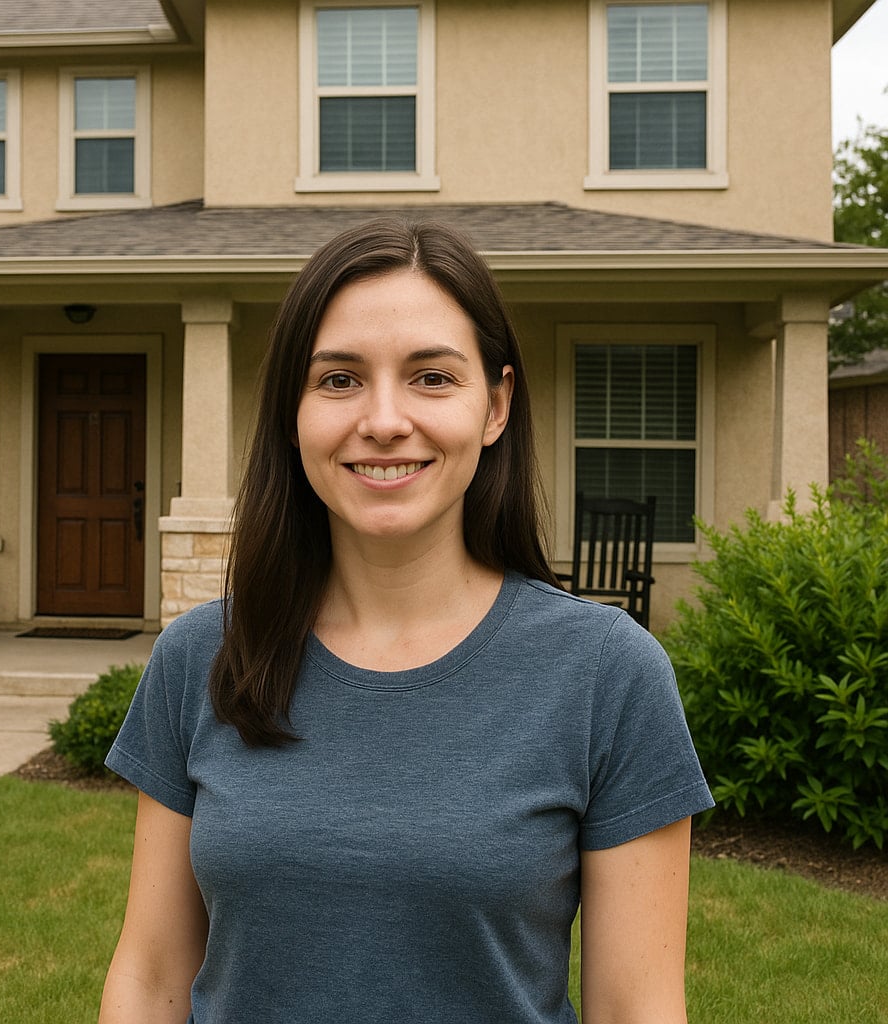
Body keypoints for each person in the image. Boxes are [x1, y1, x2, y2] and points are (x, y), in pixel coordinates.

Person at [98, 219, 714, 1024]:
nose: (384, 420)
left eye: (431, 377)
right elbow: (149, 979)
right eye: (340, 379)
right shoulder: (200, 657)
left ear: (495, 406)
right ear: (294, 410)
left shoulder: (608, 674)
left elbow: (636, 1008)